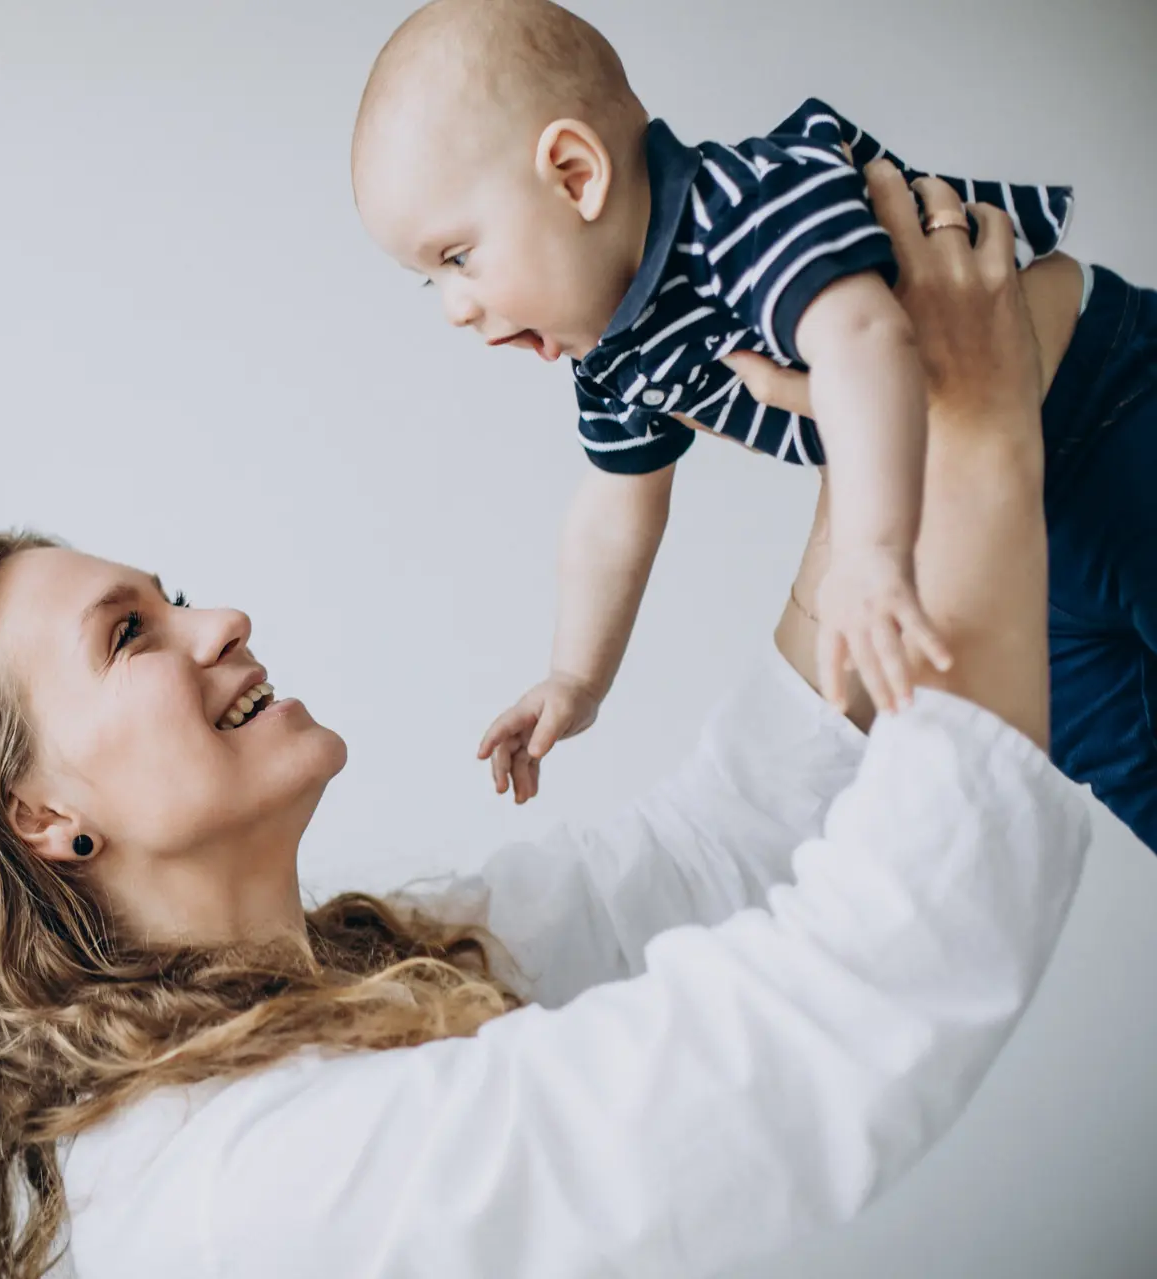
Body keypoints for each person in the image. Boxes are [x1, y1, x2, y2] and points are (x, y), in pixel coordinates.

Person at [0, 171, 1089, 1279]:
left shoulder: (361, 968)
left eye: (170, 597)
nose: (219, 619)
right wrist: (984, 434)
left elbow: (708, 851)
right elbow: (830, 1036)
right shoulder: (241, 1183)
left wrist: (884, 429)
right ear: (40, 815)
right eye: (129, 635)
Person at [350, 0, 1157, 856]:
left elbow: (868, 341)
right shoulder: (616, 352)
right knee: (1133, 773)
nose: (455, 309)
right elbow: (615, 510)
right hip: (1010, 542)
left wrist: (870, 556)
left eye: (458, 257)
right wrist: (576, 677)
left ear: (575, 175)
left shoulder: (746, 206)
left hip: (1104, 415)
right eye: (430, 279)